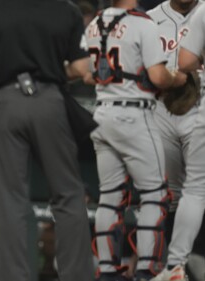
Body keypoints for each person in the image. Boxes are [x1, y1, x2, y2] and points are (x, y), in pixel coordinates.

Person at [0, 1, 94, 281]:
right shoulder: (66, 9)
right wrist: (50, 72)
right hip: (50, 99)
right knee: (68, 194)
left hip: (6, 98)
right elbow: (80, 67)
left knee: (9, 198)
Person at [84, 0, 188, 279]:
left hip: (102, 113)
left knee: (109, 198)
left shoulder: (95, 23)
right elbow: (159, 76)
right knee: (155, 195)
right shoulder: (142, 22)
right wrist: (179, 79)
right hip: (134, 115)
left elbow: (86, 74)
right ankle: (147, 269)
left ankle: (107, 270)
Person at [152, 4, 205, 281]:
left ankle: (180, 264)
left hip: (199, 110)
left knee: (196, 190)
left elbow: (185, 62)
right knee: (171, 196)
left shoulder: (203, 11)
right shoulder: (151, 19)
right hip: (165, 111)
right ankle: (174, 268)